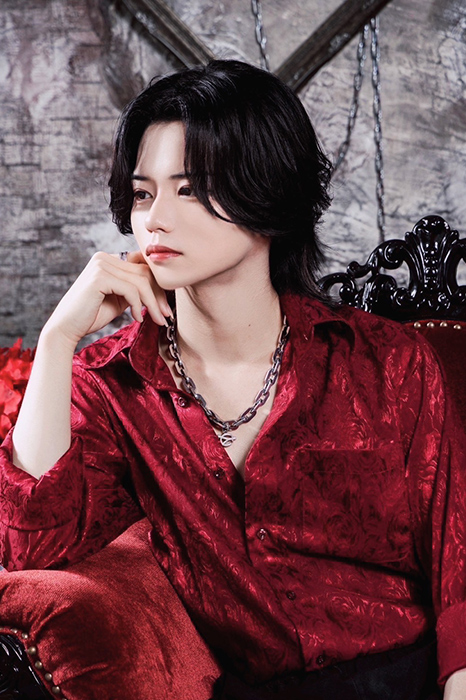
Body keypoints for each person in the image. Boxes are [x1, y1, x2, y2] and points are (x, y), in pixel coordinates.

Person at [0, 59, 466, 700]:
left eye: (189, 189)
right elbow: (32, 544)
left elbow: (457, 567)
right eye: (143, 193)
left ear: (265, 192)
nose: (154, 219)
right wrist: (57, 340)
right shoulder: (113, 386)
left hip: (410, 681)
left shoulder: (387, 363)